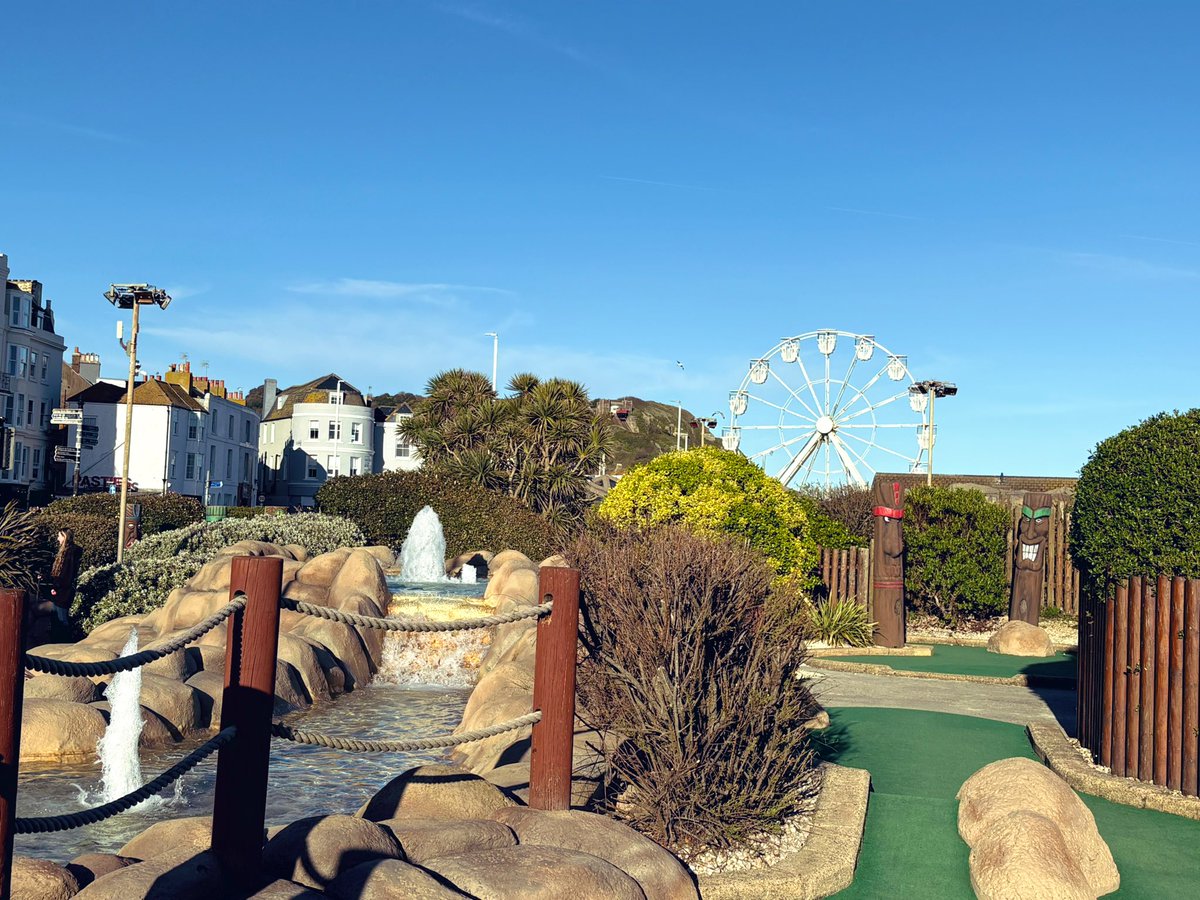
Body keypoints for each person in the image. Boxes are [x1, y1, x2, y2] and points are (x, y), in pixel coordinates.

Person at [49, 528, 82, 638]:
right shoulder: (66, 552)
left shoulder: (69, 553)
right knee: (59, 616)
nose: (58, 538)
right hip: (62, 588)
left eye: (59, 536)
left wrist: (56, 586)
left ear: (65, 537)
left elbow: (66, 574)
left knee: (62, 618)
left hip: (63, 590)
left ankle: (64, 640)